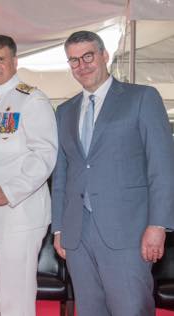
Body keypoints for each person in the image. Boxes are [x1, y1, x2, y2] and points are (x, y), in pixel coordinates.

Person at [51, 30, 174, 316]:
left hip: (129, 233)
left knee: (131, 309)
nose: (81, 65)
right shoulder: (64, 111)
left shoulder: (142, 98)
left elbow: (163, 167)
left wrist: (158, 225)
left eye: (88, 56)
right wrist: (59, 228)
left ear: (105, 55)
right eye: (73, 60)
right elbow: (62, 174)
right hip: (77, 234)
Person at [0, 35, 58, 316]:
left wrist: (9, 191)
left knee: (16, 301)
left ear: (14, 61)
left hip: (19, 213)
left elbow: (44, 155)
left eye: (0, 59)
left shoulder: (31, 99)